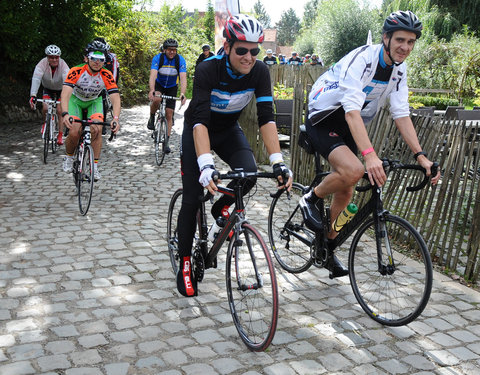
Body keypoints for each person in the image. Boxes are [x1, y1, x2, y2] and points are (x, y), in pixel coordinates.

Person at [298, 10, 441, 278]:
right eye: (400, 40)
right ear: (386, 38)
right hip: (325, 116)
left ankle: (328, 247)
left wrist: (421, 156)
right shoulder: (363, 59)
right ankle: (310, 198)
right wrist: (370, 155)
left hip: (352, 120)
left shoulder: (399, 69)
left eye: (411, 42)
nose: (405, 47)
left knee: (348, 189)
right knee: (353, 170)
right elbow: (351, 110)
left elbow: (400, 113)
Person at [176, 14, 292, 297]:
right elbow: (200, 121)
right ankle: (185, 262)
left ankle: (220, 210)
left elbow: (267, 119)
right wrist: (206, 165)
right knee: (192, 198)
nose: (249, 56)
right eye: (242, 50)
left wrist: (277, 161)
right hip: (198, 130)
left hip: (228, 130)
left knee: (250, 173)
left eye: (255, 50)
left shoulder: (260, 72)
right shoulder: (207, 69)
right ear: (227, 46)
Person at [61, 41, 121, 181]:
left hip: (94, 101)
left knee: (96, 129)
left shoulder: (106, 75)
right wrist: (65, 113)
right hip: (75, 101)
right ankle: (69, 158)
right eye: (93, 58)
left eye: (101, 59)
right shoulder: (76, 71)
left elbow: (115, 98)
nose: (97, 62)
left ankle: (94, 167)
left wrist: (116, 118)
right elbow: (65, 94)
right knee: (75, 131)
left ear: (105, 61)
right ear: (86, 58)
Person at [147, 38, 187, 154]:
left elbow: (183, 78)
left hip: (172, 87)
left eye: (174, 50)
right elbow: (153, 75)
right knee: (157, 99)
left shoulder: (180, 60)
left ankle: (166, 142)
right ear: (164, 50)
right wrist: (152, 90)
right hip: (159, 85)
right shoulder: (158, 58)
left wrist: (183, 93)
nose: (172, 52)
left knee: (169, 114)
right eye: (170, 50)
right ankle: (152, 116)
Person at [29, 45, 70, 145]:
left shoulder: (63, 65)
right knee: (45, 108)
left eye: (56, 57)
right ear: (47, 57)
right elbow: (36, 78)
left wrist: (67, 97)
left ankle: (60, 134)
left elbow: (67, 82)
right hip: (47, 88)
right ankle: (44, 123)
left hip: (61, 89)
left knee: (60, 110)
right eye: (51, 57)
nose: (54, 59)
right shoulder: (42, 64)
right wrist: (33, 95)